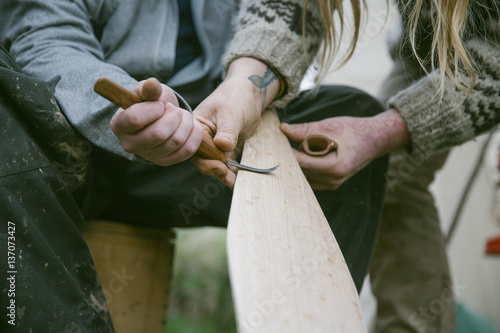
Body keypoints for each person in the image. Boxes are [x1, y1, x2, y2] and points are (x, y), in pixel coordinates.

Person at [0, 0, 388, 331]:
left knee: (347, 119)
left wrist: (244, 90)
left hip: (213, 139)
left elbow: (284, 14)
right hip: (70, 142)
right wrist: (127, 108)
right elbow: (47, 37)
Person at [279, 1, 499, 332]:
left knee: (388, 167)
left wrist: (383, 132)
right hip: (425, 42)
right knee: (387, 175)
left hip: (482, 40)